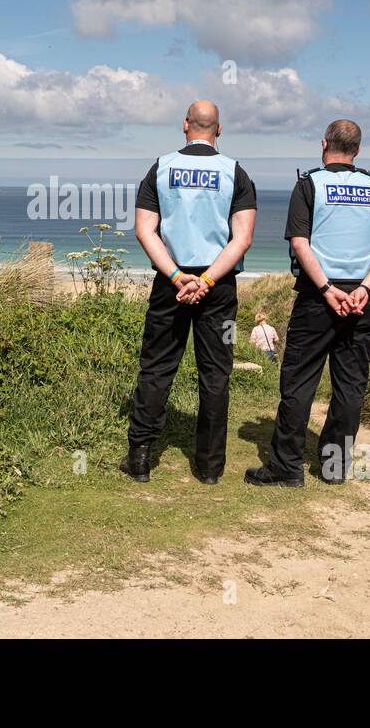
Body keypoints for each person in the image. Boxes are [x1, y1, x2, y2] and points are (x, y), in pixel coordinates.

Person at [246, 119, 370, 488]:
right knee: (350, 387)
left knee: (299, 383)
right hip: (362, 301)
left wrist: (328, 288)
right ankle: (334, 467)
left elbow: (300, 243)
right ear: (358, 150)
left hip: (319, 299)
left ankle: (286, 468)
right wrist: (364, 287)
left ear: (323, 143)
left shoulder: (310, 185)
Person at [120, 100, 257, 485]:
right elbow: (242, 238)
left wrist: (179, 276)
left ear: (185, 126)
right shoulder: (235, 172)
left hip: (170, 282)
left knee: (157, 367)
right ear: (220, 129)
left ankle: (140, 457)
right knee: (215, 374)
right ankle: (210, 468)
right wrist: (207, 280)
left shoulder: (161, 167)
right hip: (218, 285)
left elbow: (144, 230)